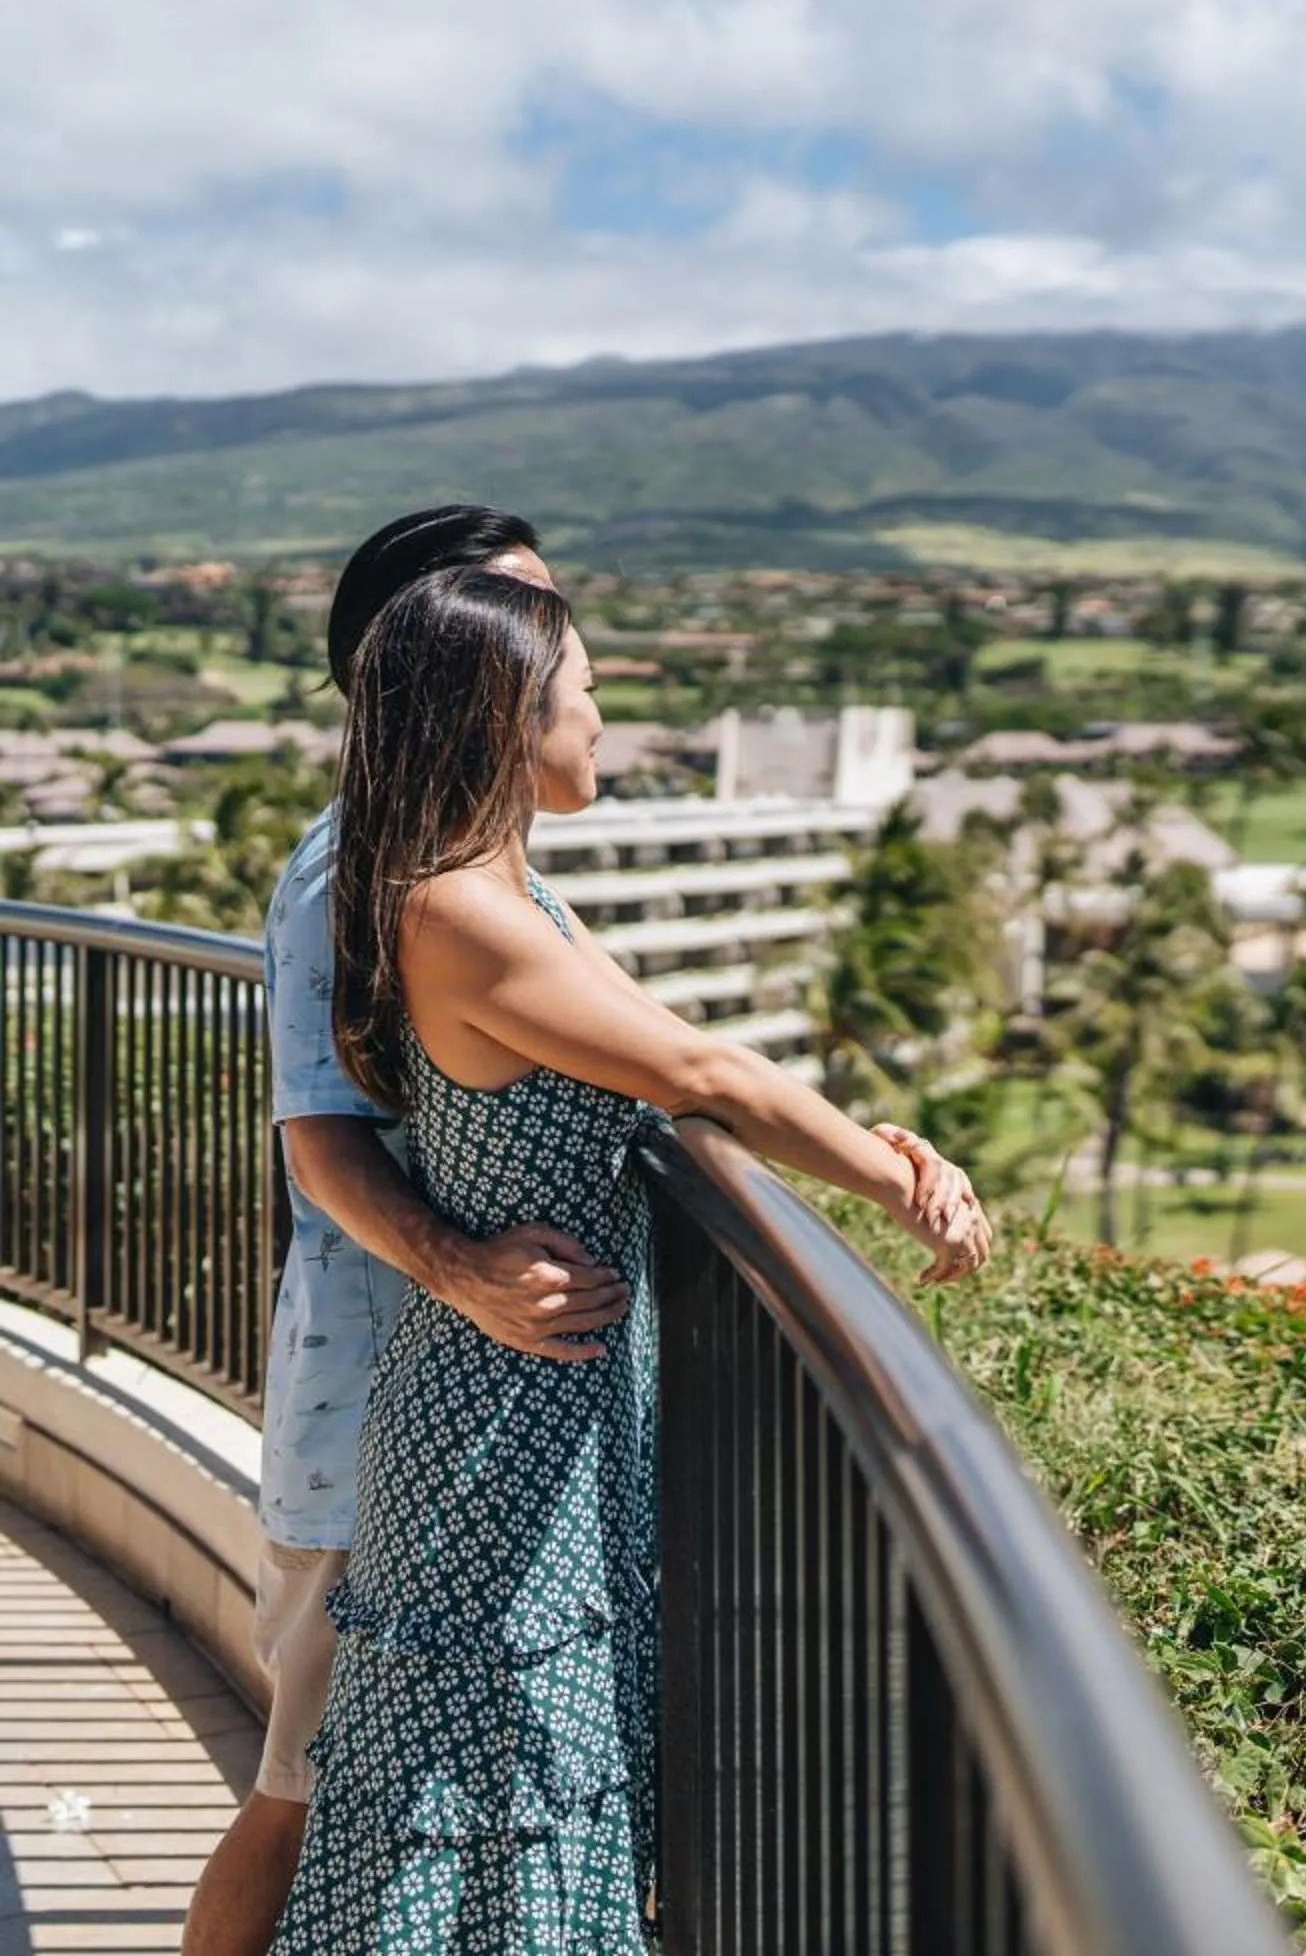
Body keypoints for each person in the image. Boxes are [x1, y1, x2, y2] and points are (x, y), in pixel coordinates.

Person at [266, 564, 989, 1948]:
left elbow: (663, 1061)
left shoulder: (496, 894)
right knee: (478, 1803)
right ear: (504, 721)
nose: (604, 728)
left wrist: (859, 1138)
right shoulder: (461, 915)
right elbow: (697, 1067)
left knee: (512, 1794)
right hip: (500, 1415)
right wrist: (901, 1179)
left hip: (534, 1393)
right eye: (586, 698)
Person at [185, 509, 640, 1956]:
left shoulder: (460, 851)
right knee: (303, 1798)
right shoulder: (354, 867)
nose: (553, 649)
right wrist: (458, 1267)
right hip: (381, 1407)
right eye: (515, 615)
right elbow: (317, 1137)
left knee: (362, 1805)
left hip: (441, 1416)